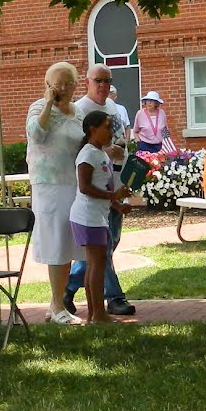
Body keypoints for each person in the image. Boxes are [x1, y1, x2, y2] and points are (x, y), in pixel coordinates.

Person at [64, 64, 137, 317]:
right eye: (99, 81)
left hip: (113, 183)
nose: (104, 85)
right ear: (87, 82)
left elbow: (120, 141)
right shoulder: (80, 109)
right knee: (101, 250)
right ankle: (112, 298)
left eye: (108, 81)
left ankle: (69, 288)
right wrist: (105, 153)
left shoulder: (114, 108)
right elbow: (78, 152)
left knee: (106, 246)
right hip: (95, 198)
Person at [26, 62, 86, 325]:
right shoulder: (39, 107)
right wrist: (50, 104)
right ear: (47, 85)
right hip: (48, 184)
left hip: (72, 183)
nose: (61, 88)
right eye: (55, 84)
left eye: (66, 83)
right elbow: (36, 135)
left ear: (75, 85)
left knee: (69, 243)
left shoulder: (78, 112)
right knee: (56, 242)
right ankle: (56, 303)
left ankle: (57, 303)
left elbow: (84, 143)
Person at [72, 110, 134, 324]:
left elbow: (102, 185)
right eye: (106, 127)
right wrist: (113, 196)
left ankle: (94, 314)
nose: (111, 132)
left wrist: (117, 205)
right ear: (92, 129)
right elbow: (85, 187)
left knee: (94, 265)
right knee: (97, 264)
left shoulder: (99, 153)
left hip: (97, 215)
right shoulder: (88, 154)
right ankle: (98, 314)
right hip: (88, 216)